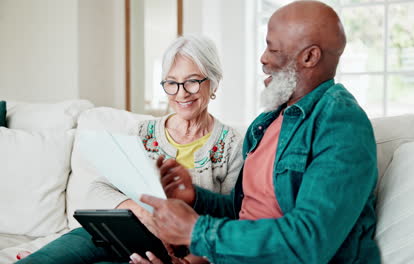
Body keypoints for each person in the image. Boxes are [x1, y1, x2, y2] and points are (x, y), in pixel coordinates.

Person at [131, 1, 381, 264]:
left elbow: (310, 241)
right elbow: (244, 211)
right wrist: (194, 197)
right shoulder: (267, 122)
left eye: (272, 48)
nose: (263, 58)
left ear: (310, 57)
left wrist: (196, 231)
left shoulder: (340, 123)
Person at [16, 34, 243, 264]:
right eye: (172, 83)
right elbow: (97, 190)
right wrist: (143, 214)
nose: (181, 93)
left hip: (182, 254)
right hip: (122, 235)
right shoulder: (143, 132)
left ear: (213, 82)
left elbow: (232, 222)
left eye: (192, 81)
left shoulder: (232, 145)